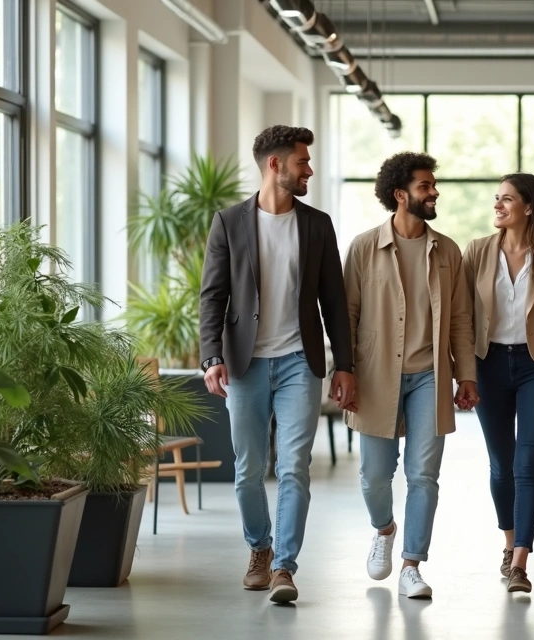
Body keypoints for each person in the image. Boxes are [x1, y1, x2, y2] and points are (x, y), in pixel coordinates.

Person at [199, 125, 357, 604]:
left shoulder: (317, 224)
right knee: (248, 470)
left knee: (294, 468)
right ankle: (260, 549)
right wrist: (211, 356)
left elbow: (334, 300)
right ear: (276, 165)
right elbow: (212, 296)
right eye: (302, 162)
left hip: (298, 362)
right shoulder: (228, 222)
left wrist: (344, 365)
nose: (309, 169)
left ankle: (285, 567)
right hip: (244, 364)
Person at [343, 151, 478, 599]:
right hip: (377, 375)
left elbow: (460, 319)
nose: (434, 191)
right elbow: (347, 315)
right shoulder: (365, 247)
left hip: (429, 377)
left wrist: (467, 375)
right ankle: (384, 529)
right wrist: (344, 371)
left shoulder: (448, 251)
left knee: (423, 475)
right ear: (400, 195)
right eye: (425, 186)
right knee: (375, 476)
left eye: (433, 185)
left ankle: (411, 565)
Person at [463, 173, 534, 594]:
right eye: (496, 198)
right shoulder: (476, 252)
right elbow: (463, 314)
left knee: (528, 464)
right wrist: (465, 369)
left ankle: (521, 563)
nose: (498, 205)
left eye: (507, 199)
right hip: (488, 363)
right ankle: (508, 545)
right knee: (501, 465)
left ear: (528, 207)